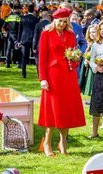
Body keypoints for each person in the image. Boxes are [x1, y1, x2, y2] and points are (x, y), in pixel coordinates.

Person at [38, 8, 86, 156]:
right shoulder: (46, 34)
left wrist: (76, 57)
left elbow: (74, 52)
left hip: (69, 76)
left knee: (66, 110)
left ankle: (63, 143)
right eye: (60, 21)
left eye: (65, 22)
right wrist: (43, 78)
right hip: (53, 76)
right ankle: (47, 142)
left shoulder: (71, 34)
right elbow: (42, 58)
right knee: (53, 110)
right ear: (54, 20)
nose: (63, 24)